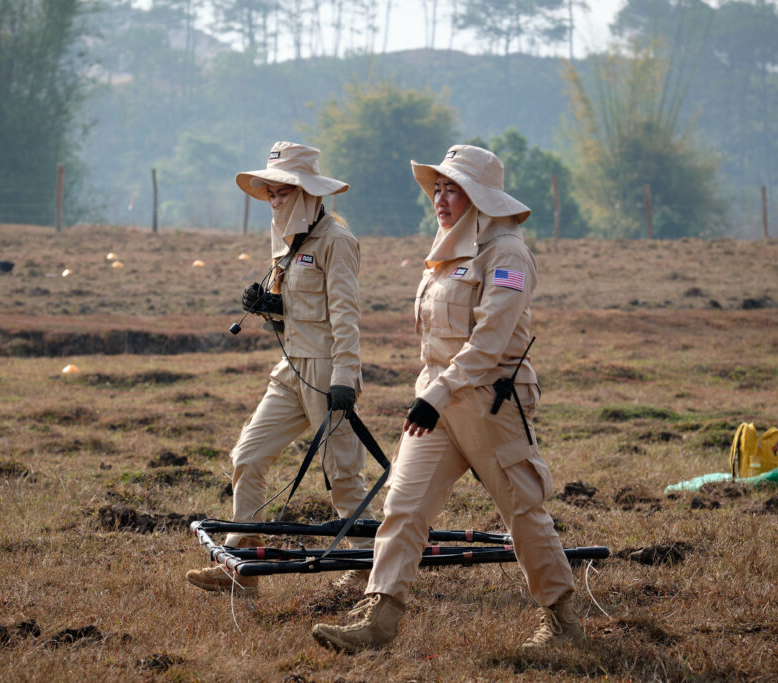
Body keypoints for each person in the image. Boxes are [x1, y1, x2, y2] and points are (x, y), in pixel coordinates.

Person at [311, 145, 585, 652]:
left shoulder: (507, 254)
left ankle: (563, 622)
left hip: (490, 403)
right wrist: (431, 392)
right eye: (437, 187)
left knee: (522, 511)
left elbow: (489, 343)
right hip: (437, 403)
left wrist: (435, 393)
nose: (440, 197)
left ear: (479, 196)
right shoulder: (447, 248)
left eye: (452, 188)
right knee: (403, 506)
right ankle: (379, 619)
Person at [186, 141, 372, 596]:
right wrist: (270, 306)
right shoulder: (286, 241)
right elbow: (297, 310)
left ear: (308, 193)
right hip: (290, 370)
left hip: (328, 372)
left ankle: (370, 571)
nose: (274, 200)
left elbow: (345, 317)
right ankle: (241, 565)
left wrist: (345, 378)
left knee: (344, 476)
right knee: (247, 456)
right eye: (270, 192)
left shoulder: (338, 243)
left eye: (283, 192)